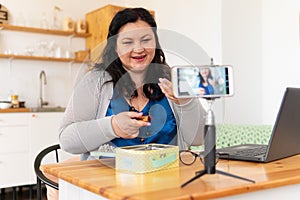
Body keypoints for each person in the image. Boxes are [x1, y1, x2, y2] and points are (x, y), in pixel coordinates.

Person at [46, 7, 207, 200]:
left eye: (146, 40)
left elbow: (199, 139)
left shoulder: (171, 78)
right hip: (104, 189)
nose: (138, 49)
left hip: (168, 187)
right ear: (114, 46)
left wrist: (186, 102)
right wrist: (111, 126)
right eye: (128, 42)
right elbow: (67, 140)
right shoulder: (94, 82)